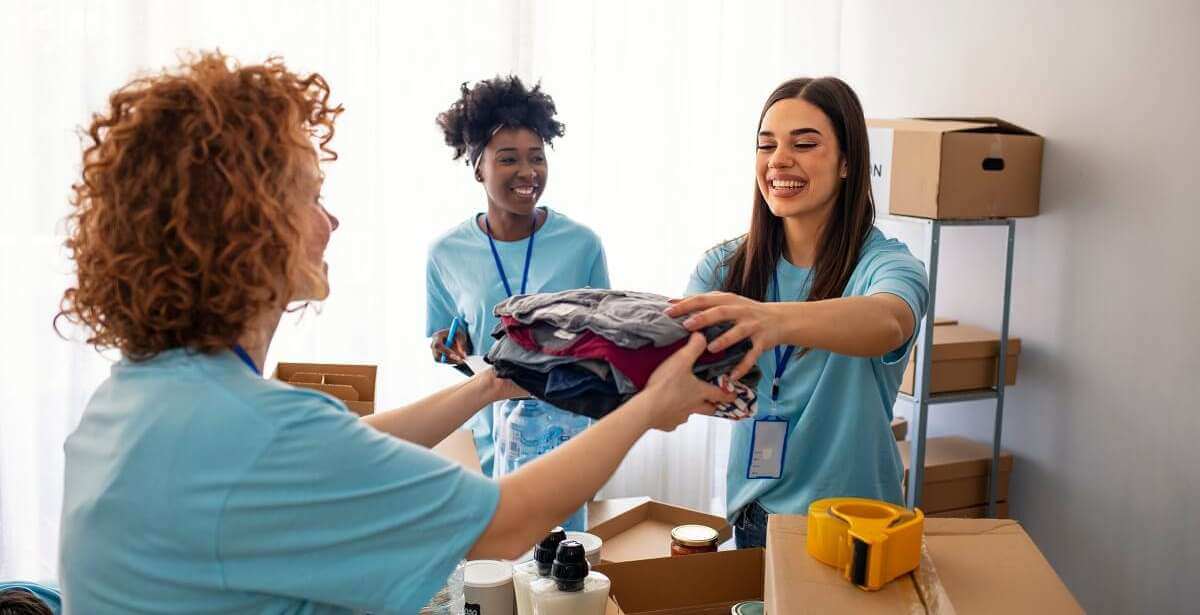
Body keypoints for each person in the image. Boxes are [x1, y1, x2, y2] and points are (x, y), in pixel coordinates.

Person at [56, 52, 732, 613]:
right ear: (246, 227)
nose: (331, 222)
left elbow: (344, 446)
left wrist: (492, 383)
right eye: (311, 196)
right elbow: (505, 524)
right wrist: (651, 405)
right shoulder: (256, 430)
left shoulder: (136, 399)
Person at [668, 77, 930, 549]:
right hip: (756, 520)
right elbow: (679, 367)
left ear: (848, 162)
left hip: (857, 527)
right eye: (766, 145)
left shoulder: (888, 265)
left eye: (804, 144)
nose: (779, 160)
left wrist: (770, 320)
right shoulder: (723, 267)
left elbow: (889, 321)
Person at [427, 76, 609, 530]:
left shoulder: (582, 245)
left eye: (537, 157)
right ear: (478, 168)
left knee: (560, 565)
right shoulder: (446, 253)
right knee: (492, 565)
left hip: (562, 448)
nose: (528, 172)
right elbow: (448, 337)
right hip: (486, 448)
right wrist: (447, 347)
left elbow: (607, 344)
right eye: (508, 158)